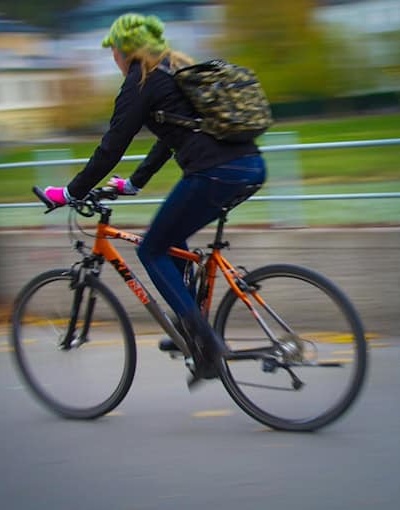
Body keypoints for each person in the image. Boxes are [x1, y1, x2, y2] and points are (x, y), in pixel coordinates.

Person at [42, 13, 267, 383]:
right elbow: (169, 138)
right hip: (249, 166)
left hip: (214, 173)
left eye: (113, 51)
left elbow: (111, 146)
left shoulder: (141, 82)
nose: (113, 59)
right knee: (171, 239)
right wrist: (133, 184)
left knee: (151, 250)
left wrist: (70, 192)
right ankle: (191, 327)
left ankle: (207, 344)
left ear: (123, 51)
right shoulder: (173, 72)